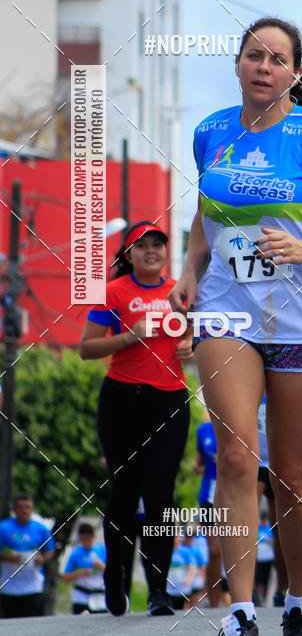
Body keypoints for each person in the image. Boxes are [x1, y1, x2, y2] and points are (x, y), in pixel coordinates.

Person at [169, 16, 302, 636]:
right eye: (253, 55)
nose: (264, 67)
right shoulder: (210, 132)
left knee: (292, 473)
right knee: (237, 456)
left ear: (294, 72)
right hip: (226, 313)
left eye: (277, 59)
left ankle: (296, 598)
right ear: (237, 63)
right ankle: (239, 609)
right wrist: (189, 269)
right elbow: (206, 211)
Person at [80, 221, 193, 616]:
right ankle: (116, 580)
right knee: (124, 494)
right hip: (121, 401)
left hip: (169, 401)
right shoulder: (114, 292)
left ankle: (158, 591)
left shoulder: (180, 291)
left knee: (161, 496)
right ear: (128, 254)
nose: (152, 251)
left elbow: (199, 335)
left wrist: (192, 344)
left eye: (158, 244)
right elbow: (87, 348)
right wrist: (129, 336)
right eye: (142, 245)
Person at [0, 493, 55, 618]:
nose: (24, 511)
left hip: (33, 586)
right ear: (14, 509)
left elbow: (50, 551)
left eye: (27, 507)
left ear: (32, 509)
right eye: (20, 507)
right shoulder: (3, 528)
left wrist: (42, 559)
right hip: (9, 586)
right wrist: (9, 558)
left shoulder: (41, 529)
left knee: (31, 623)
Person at [256, 393, 287, 606]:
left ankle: (282, 589)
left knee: (281, 529)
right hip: (255, 463)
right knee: (248, 524)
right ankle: (248, 590)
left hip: (279, 463)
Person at [194, 418, 229, 607]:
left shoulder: (234, 425)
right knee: (214, 551)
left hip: (232, 494)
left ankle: (242, 598)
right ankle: (214, 604)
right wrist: (196, 466)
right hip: (209, 495)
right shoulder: (203, 430)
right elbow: (199, 460)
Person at [62, 522, 107, 614]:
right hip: (81, 596)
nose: (86, 543)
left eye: (88, 539)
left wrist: (101, 566)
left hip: (99, 597)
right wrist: (81, 573)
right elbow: (65, 578)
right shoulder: (75, 553)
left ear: (93, 537)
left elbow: (113, 574)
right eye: (83, 540)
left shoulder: (102, 550)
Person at [166, 533, 197, 610]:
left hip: (183, 587)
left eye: (176, 537)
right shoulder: (166, 551)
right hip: (170, 587)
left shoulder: (185, 552)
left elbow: (192, 568)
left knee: (183, 607)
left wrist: (188, 579)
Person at [254, 512, 274, 605]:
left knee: (266, 579)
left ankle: (264, 598)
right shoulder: (257, 527)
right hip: (259, 558)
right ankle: (259, 598)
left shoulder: (269, 528)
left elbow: (273, 541)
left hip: (268, 558)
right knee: (259, 580)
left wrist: (267, 540)